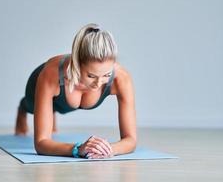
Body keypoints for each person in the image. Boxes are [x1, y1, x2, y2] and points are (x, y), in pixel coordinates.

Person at [15, 23, 137, 159]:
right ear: (77, 64)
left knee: (57, 109)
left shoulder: (121, 78)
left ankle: (51, 113)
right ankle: (22, 109)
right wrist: (78, 149)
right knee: (31, 106)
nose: (98, 83)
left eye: (106, 75)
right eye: (91, 75)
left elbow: (131, 140)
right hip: (40, 87)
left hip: (64, 97)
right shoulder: (51, 74)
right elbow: (41, 143)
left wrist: (105, 149)